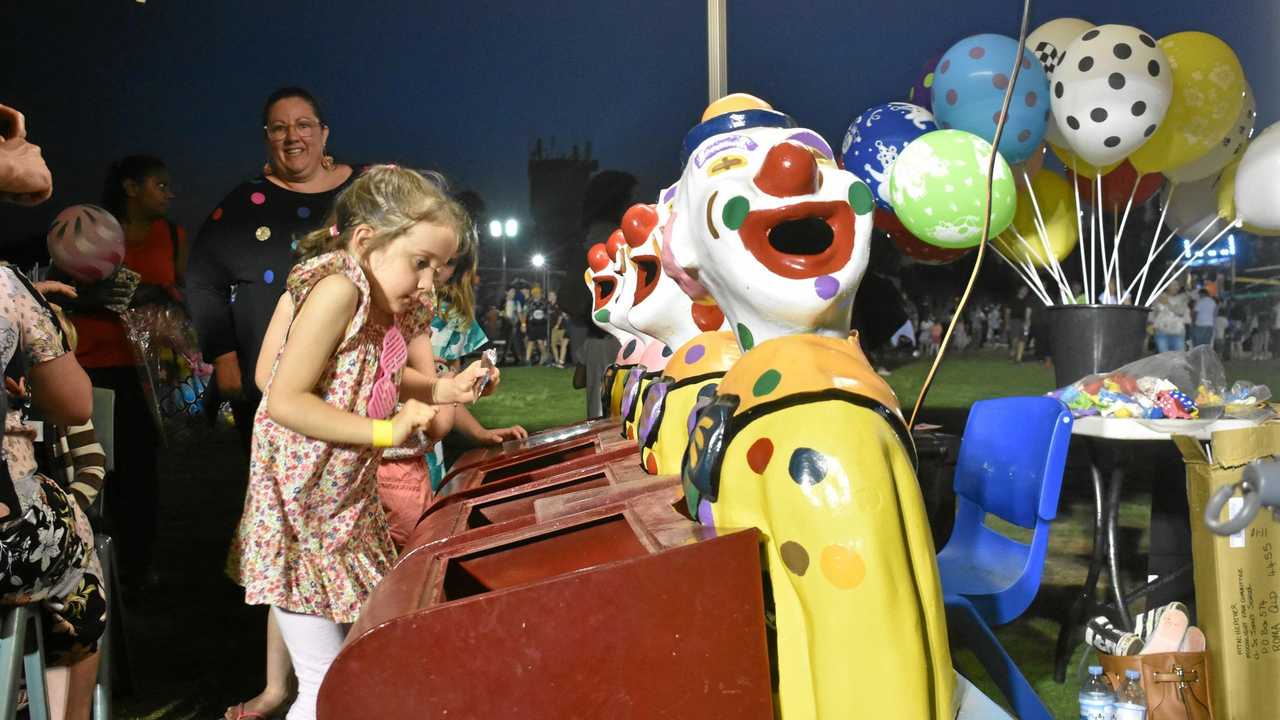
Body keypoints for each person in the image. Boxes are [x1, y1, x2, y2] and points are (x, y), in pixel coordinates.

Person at [231, 166, 497, 720]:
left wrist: (443, 386)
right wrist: (385, 431)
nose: (430, 282)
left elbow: (373, 371)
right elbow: (284, 399)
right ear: (364, 241)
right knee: (326, 684)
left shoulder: (384, 303)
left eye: (438, 267)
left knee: (364, 661)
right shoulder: (336, 290)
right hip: (300, 512)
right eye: (419, 263)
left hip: (344, 508)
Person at [0, 101, 105, 720]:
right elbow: (74, 404)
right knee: (75, 568)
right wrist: (37, 325)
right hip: (7, 536)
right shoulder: (7, 289)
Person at [187, 87, 361, 454]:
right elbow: (203, 280)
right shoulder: (244, 203)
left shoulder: (364, 191)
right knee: (275, 496)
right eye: (279, 128)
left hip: (354, 373)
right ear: (267, 138)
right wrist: (223, 357)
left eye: (303, 125)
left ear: (324, 133)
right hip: (267, 382)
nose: (292, 136)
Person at [59, 155, 182, 591]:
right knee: (89, 465)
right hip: (89, 365)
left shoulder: (173, 235)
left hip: (143, 371)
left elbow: (183, 292)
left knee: (139, 470)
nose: (168, 193)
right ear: (130, 188)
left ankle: (136, 564)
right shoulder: (91, 229)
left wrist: (158, 295)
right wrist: (96, 298)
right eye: (159, 185)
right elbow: (62, 289)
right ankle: (82, 562)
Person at [1151, 286, 1190, 353]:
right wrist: (1152, 325)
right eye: (1173, 285)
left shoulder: (1182, 298)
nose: (1175, 287)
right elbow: (1152, 313)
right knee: (1164, 358)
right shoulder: (1159, 297)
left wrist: (1167, 303)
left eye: (1176, 285)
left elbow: (1181, 312)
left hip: (1177, 332)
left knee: (1178, 358)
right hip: (1161, 332)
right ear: (1167, 286)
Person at [1006, 287, 1031, 362]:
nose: (1024, 292)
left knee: (1023, 340)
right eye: (1023, 290)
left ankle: (1018, 358)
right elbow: (1007, 312)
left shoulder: (1027, 301)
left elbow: (1028, 312)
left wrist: (1027, 322)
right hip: (1014, 321)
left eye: (1026, 291)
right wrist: (1007, 323)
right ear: (1019, 290)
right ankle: (1013, 352)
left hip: (1023, 322)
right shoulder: (1013, 299)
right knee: (1015, 339)